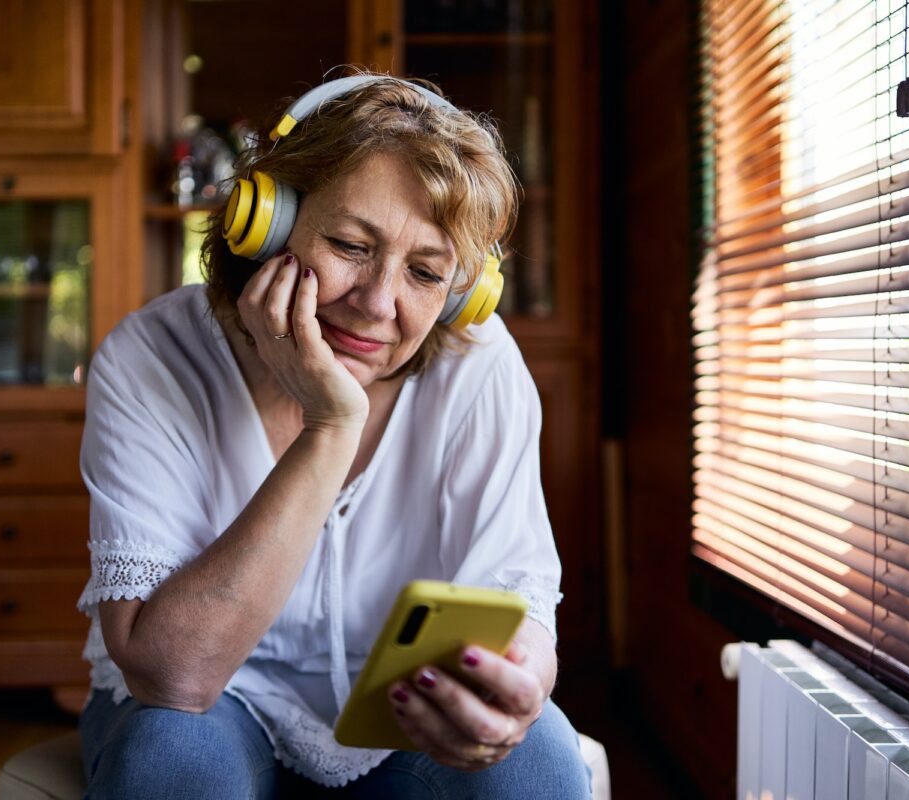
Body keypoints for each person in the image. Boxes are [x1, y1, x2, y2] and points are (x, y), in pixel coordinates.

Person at [75, 73, 591, 799]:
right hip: (211, 708)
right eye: (350, 244)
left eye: (424, 272)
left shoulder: (481, 363)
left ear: (460, 296)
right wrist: (331, 426)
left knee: (537, 758)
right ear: (267, 222)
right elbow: (174, 679)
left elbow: (521, 601)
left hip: (401, 720)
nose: (378, 303)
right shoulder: (153, 357)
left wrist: (515, 694)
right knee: (172, 755)